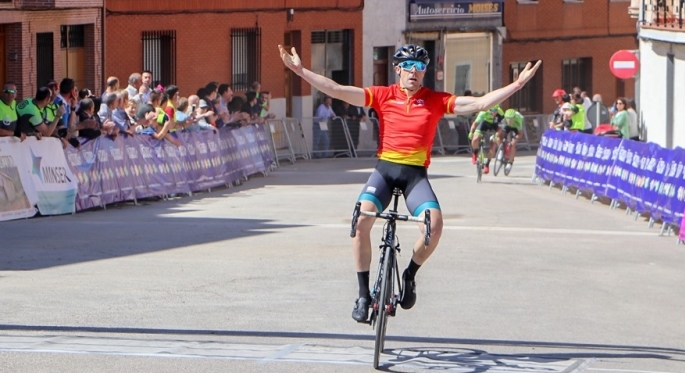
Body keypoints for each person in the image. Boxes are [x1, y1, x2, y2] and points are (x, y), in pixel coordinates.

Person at [278, 43, 540, 323]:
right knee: (359, 223)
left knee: (434, 227)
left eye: (420, 67)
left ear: (425, 71)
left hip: (415, 175)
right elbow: (338, 90)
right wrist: (301, 71)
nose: (414, 72)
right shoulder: (382, 95)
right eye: (408, 67)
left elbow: (477, 103)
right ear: (398, 69)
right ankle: (364, 294)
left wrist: (517, 84)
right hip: (384, 171)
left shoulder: (436, 99)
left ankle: (410, 275)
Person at [468, 104, 504, 174]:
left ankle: (487, 164)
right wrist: (471, 132)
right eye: (492, 111)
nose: (494, 113)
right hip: (483, 124)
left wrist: (497, 135)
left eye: (495, 111)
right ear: (489, 110)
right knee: (475, 139)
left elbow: (502, 126)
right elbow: (475, 124)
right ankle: (475, 152)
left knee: (493, 143)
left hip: (494, 126)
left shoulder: (500, 113)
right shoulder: (483, 113)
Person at [502, 108, 524, 173]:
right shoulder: (503, 119)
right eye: (508, 118)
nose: (509, 120)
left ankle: (510, 163)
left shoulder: (518, 119)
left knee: (513, 144)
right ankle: (501, 150)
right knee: (502, 136)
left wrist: (515, 139)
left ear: (514, 118)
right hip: (507, 126)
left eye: (511, 119)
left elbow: (520, 134)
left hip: (516, 127)